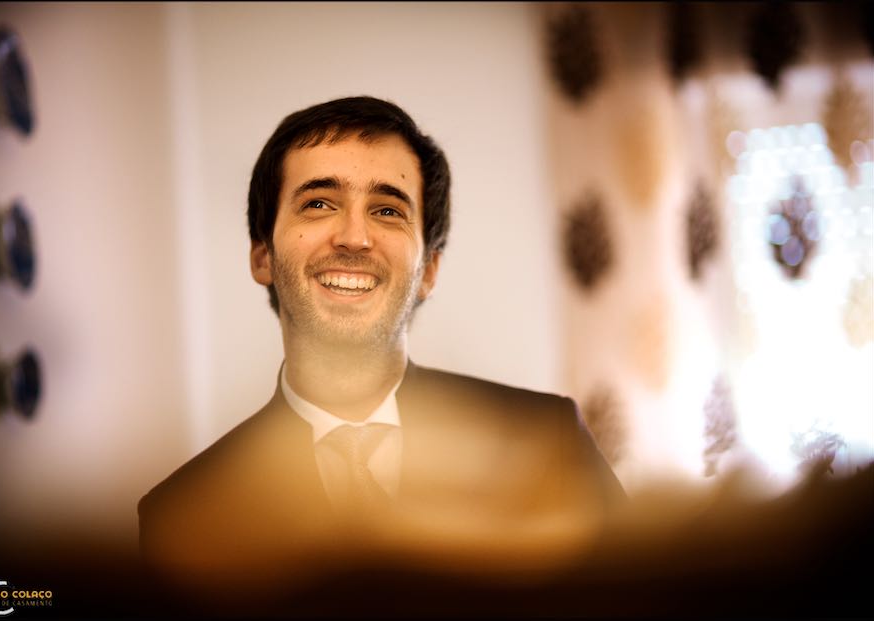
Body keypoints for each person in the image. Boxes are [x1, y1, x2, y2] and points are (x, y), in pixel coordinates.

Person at [137, 96, 624, 598]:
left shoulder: (547, 445)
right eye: (318, 203)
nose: (354, 238)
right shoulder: (181, 515)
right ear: (263, 256)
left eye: (388, 210)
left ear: (428, 270)